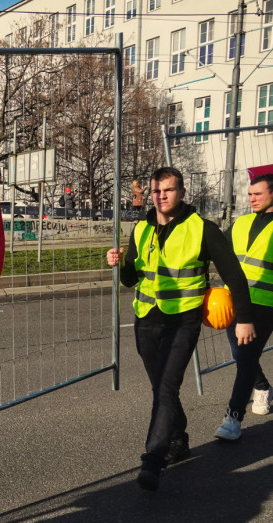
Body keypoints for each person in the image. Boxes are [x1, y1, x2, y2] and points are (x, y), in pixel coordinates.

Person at [106, 166, 255, 491]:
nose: (161, 196)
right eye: (156, 191)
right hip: (146, 318)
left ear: (182, 193)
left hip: (183, 321)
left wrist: (243, 317)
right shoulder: (142, 229)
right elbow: (132, 278)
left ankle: (154, 460)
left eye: (168, 190)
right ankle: (178, 436)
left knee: (166, 388)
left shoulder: (203, 229)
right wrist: (121, 264)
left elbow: (234, 276)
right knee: (161, 387)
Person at [214, 173, 273, 440]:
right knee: (241, 356)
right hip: (234, 300)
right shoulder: (241, 222)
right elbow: (216, 248)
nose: (252, 199)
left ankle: (233, 418)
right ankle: (262, 387)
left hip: (265, 305)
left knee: (246, 358)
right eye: (250, 194)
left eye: (258, 194)